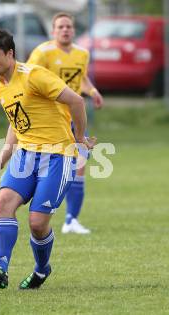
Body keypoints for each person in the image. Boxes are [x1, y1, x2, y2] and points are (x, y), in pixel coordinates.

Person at [0, 29, 95, 290]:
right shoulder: (0, 87)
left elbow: (76, 101)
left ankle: (41, 270)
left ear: (10, 54)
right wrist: (0, 161)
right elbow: (15, 124)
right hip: (26, 155)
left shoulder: (34, 76)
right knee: (4, 202)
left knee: (37, 224)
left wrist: (79, 138)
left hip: (58, 156)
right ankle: (0, 268)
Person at [27, 12, 104, 234]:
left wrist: (92, 90)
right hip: (49, 119)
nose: (65, 30)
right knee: (44, 165)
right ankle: (38, 208)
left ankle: (71, 220)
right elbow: (28, 78)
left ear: (74, 30)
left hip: (73, 117)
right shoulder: (43, 52)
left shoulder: (82, 53)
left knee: (80, 165)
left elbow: (81, 77)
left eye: (68, 26)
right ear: (53, 31)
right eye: (60, 27)